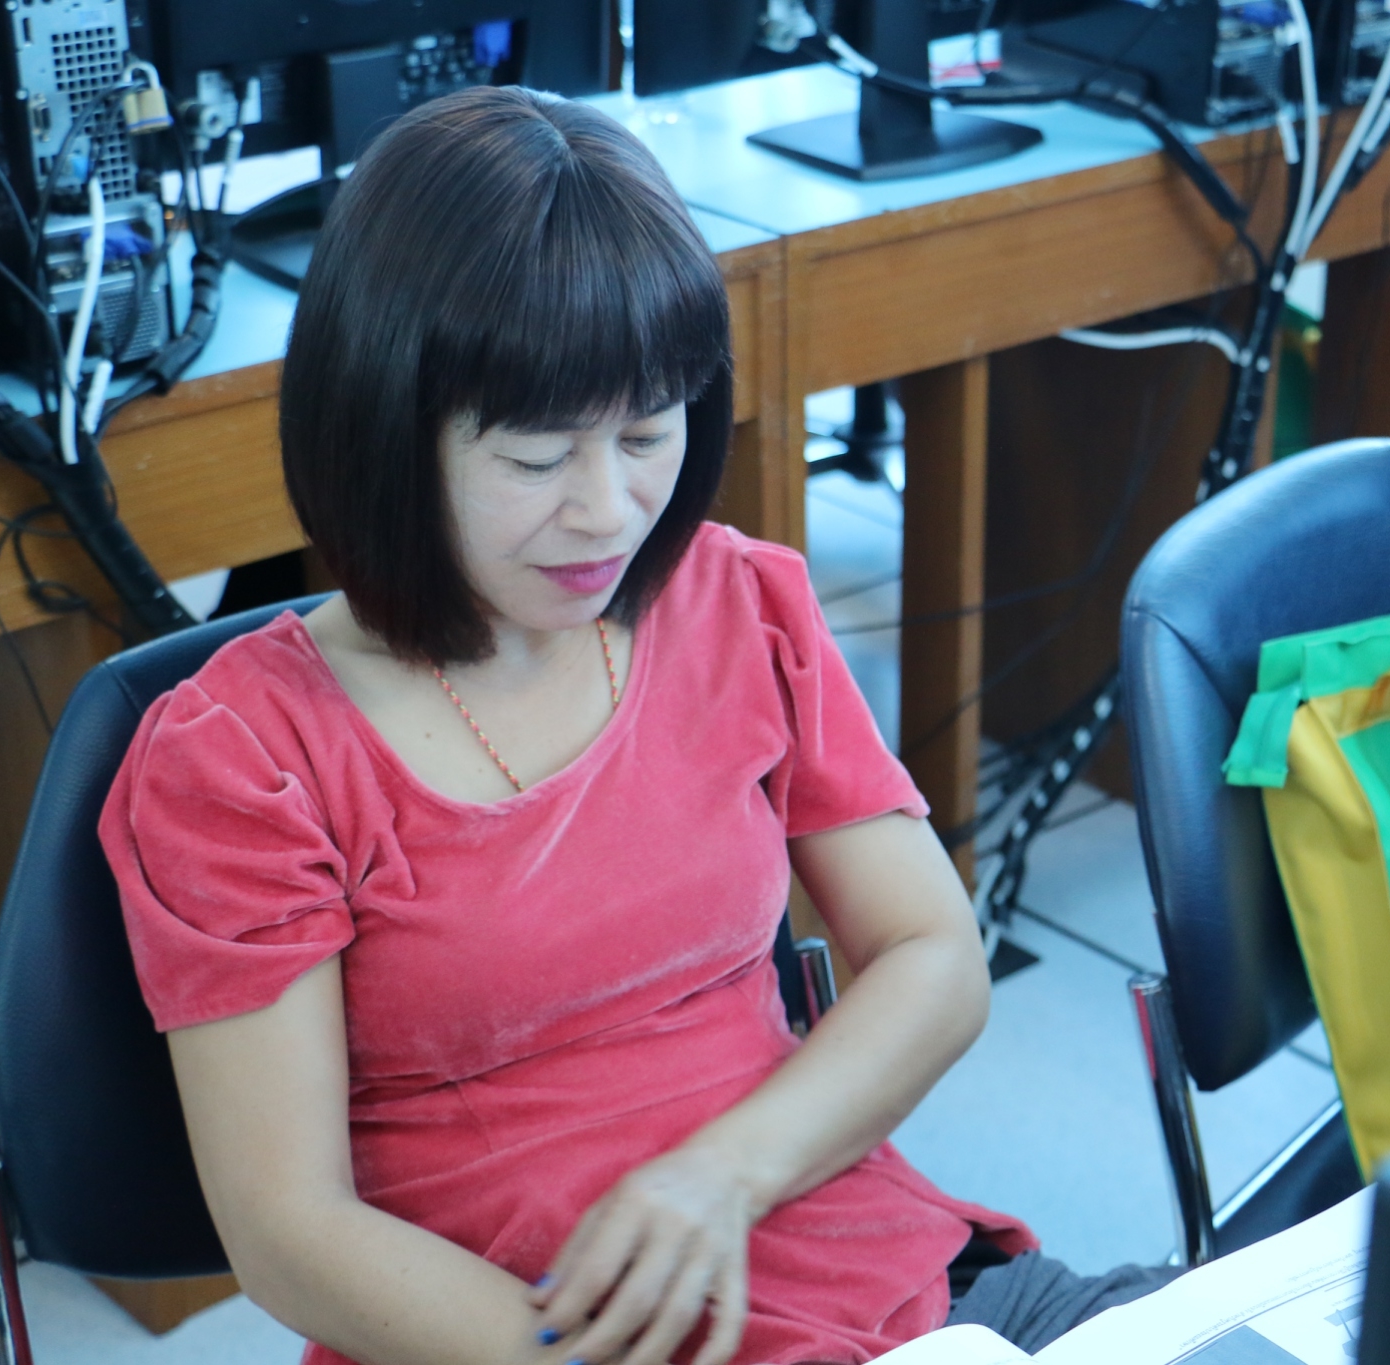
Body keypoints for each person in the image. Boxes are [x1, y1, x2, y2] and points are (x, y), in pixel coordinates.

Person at [100, 87, 1178, 1365]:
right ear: (383, 434)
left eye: (647, 433)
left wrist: (723, 1176)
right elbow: (290, 1234)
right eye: (536, 460)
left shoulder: (736, 601)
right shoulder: (241, 759)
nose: (608, 511)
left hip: (884, 1286)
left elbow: (930, 957)